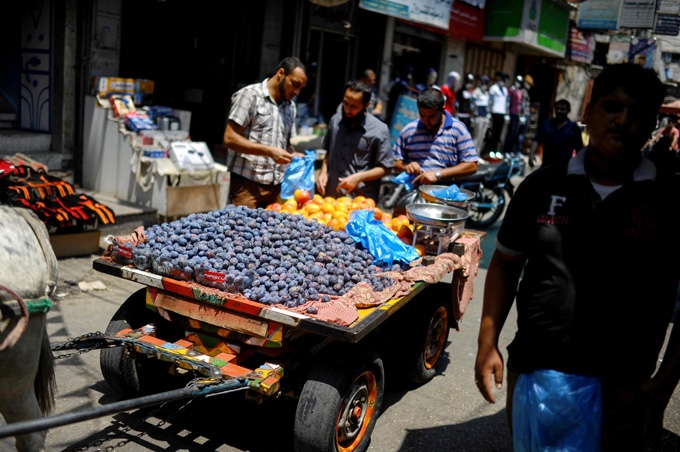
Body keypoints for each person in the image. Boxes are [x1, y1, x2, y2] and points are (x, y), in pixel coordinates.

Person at [474, 63, 680, 452]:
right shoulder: (541, 186)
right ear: (589, 112)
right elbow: (504, 263)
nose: (622, 119)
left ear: (653, 124)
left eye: (637, 112)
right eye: (611, 106)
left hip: (623, 390)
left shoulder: (669, 201)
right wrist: (488, 344)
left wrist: (663, 385)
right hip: (535, 370)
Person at [223, 56, 307, 208]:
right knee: (241, 231)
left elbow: (286, 145)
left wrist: (292, 155)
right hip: (247, 187)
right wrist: (270, 151)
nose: (297, 92)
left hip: (277, 189)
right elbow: (229, 138)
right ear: (281, 73)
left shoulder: (290, 107)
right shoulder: (250, 95)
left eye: (300, 88)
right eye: (295, 85)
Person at [316, 80, 393, 202]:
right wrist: (323, 172)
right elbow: (329, 152)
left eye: (354, 107)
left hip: (359, 202)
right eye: (345, 103)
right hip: (331, 199)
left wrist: (358, 177)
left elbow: (386, 168)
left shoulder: (379, 130)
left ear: (366, 105)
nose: (347, 110)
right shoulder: (335, 121)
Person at [392, 87, 478, 187]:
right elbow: (393, 162)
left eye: (431, 117)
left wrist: (438, 174)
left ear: (442, 109)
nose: (425, 121)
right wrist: (406, 167)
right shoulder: (409, 131)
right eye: (422, 115)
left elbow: (472, 166)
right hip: (416, 195)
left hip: (447, 196)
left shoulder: (458, 130)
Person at [528, 99, 584, 168]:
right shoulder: (547, 124)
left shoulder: (573, 128)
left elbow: (579, 149)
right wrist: (531, 155)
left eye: (562, 109)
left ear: (568, 111)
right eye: (557, 109)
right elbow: (537, 140)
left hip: (564, 168)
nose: (559, 111)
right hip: (546, 165)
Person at [487, 71, 508, 159]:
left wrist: (507, 113)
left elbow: (506, 103)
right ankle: (490, 150)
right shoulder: (493, 88)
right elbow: (490, 101)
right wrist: (489, 112)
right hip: (495, 112)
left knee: (499, 133)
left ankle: (497, 150)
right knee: (493, 132)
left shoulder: (505, 90)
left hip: (502, 113)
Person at [472, 75, 491, 153]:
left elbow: (488, 106)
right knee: (476, 136)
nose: (484, 85)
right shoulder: (476, 92)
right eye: (483, 83)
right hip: (478, 116)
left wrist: (488, 116)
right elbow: (473, 105)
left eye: (486, 83)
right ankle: (472, 154)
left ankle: (478, 154)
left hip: (485, 117)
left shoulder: (487, 93)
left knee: (482, 137)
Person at [517, 74, 533, 155]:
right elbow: (522, 104)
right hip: (524, 115)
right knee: (520, 135)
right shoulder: (523, 92)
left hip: (526, 114)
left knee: (522, 134)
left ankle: (518, 150)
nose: (529, 86)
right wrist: (522, 115)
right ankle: (517, 150)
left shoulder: (526, 92)